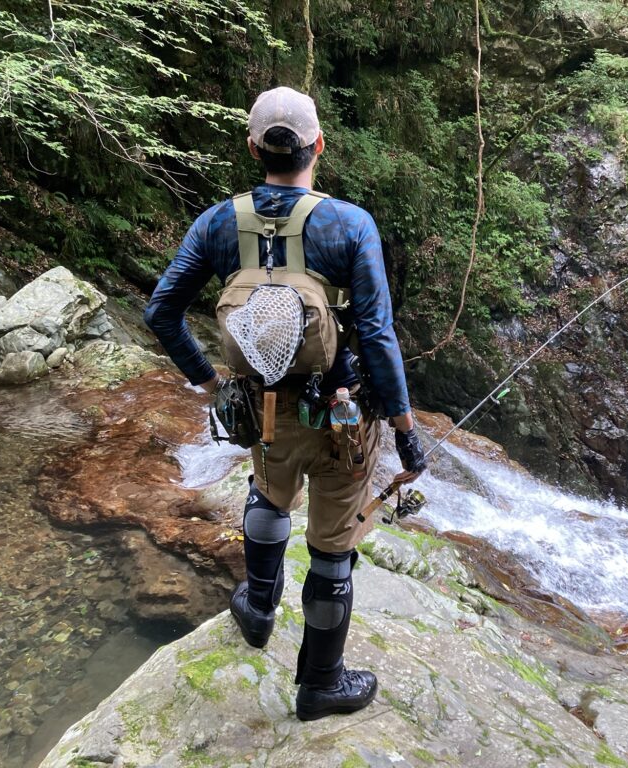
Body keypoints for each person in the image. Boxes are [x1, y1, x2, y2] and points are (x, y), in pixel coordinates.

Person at [144, 86, 427, 721]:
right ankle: (320, 682)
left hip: (262, 412)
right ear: (318, 146)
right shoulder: (350, 225)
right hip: (342, 417)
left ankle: (259, 604)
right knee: (332, 546)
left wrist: (214, 385)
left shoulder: (217, 223)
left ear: (253, 148)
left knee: (268, 494)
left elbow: (161, 312)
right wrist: (407, 432)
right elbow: (378, 336)